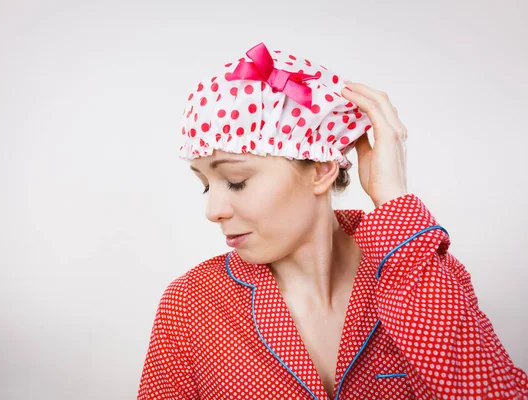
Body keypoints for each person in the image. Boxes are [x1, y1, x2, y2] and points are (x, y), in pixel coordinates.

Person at [137, 42, 528, 399]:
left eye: (236, 181)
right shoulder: (190, 305)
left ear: (322, 169)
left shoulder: (422, 272)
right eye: (206, 185)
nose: (212, 211)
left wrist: (392, 200)